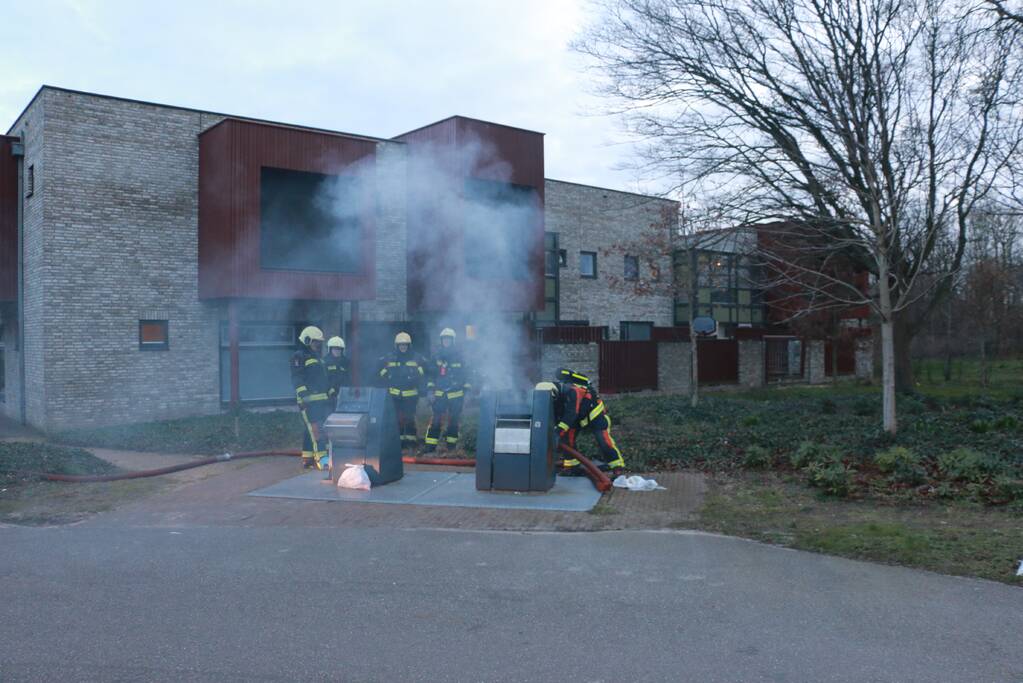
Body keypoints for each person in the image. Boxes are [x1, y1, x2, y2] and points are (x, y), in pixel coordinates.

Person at [547, 368, 625, 476]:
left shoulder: (573, 391)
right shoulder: (554, 398)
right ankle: (571, 467)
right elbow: (558, 416)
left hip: (594, 414)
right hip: (578, 417)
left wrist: (558, 431)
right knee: (567, 440)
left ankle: (617, 467)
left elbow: (571, 414)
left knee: (603, 441)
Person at [290, 326, 332, 470]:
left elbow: (322, 378)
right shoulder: (299, 356)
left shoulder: (317, 357)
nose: (317, 345)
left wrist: (330, 391)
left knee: (311, 431)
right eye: (315, 342)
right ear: (307, 340)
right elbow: (297, 378)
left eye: (319, 342)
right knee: (316, 430)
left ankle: (308, 459)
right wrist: (304, 396)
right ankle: (323, 460)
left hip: (320, 401)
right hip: (308, 402)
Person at [424, 328, 472, 453]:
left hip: (456, 395)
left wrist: (467, 393)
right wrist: (430, 391)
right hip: (439, 394)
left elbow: (467, 376)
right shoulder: (436, 356)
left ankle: (451, 447)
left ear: (452, 340)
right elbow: (430, 375)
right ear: (441, 340)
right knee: (436, 420)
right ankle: (430, 447)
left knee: (454, 420)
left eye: (448, 339)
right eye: (444, 339)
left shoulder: (460, 357)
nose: (446, 341)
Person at [378, 331, 426, 449]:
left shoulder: (417, 358)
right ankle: (397, 443)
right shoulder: (390, 358)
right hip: (395, 395)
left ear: (409, 346)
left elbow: (425, 373)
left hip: (411, 395)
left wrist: (417, 381)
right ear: (397, 345)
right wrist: (386, 381)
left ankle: (410, 443)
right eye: (401, 345)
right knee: (394, 420)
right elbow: (379, 373)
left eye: (405, 345)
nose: (403, 347)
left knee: (409, 418)